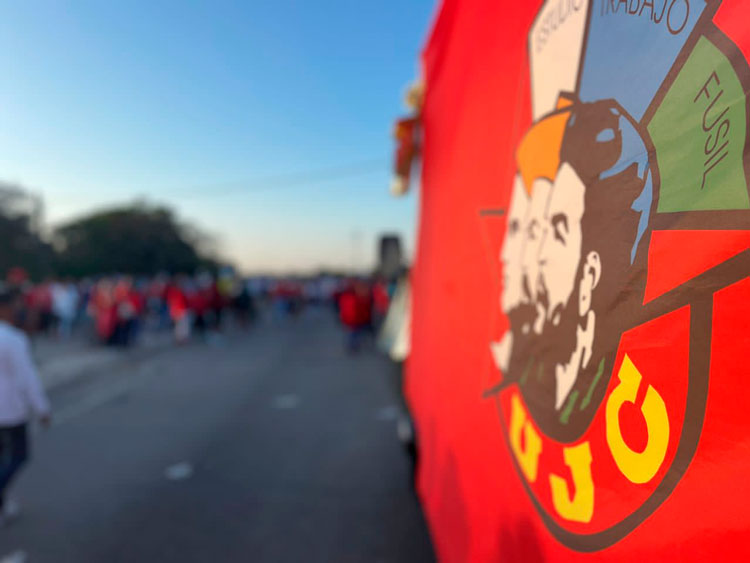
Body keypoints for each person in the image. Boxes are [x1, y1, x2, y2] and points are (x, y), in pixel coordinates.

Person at [0, 288, 51, 527]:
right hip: (9, 409)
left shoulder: (14, 337)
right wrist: (41, 408)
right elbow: (27, 377)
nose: (20, 309)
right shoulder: (13, 339)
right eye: (16, 305)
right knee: (18, 456)